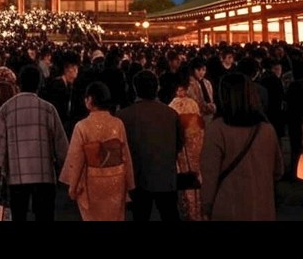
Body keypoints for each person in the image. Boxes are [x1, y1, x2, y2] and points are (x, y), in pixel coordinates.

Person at [0, 64, 69, 222]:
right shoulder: (48, 109)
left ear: (18, 84)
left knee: (19, 215)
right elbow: (61, 145)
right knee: (45, 215)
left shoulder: (7, 109)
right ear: (39, 84)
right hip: (44, 174)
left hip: (17, 175)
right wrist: (64, 167)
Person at [200, 72, 284, 221]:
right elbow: (278, 170)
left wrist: (206, 205)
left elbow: (209, 174)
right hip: (261, 205)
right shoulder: (266, 129)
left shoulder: (217, 129)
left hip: (228, 205)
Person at [59, 82, 134, 221]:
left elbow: (77, 159)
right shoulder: (117, 123)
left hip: (93, 180)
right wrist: (129, 182)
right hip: (116, 179)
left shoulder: (82, 126)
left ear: (90, 100)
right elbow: (125, 155)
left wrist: (73, 186)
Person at [116, 69, 183, 221]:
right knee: (170, 214)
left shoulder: (123, 116)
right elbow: (179, 144)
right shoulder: (171, 113)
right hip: (165, 175)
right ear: (157, 88)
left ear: (135, 88)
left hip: (138, 177)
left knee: (140, 215)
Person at [168, 76, 205, 221]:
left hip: (182, 145)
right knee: (195, 175)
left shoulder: (172, 106)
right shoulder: (193, 104)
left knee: (184, 176)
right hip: (194, 142)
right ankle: (196, 211)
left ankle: (188, 211)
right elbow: (200, 127)